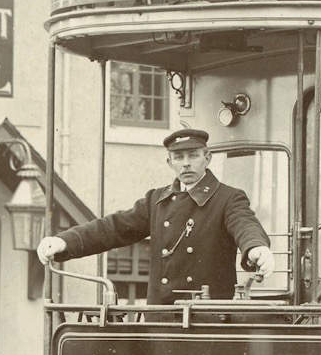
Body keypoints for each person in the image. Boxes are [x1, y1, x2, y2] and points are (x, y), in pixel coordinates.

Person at [36, 128, 274, 303]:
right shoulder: (156, 201)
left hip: (206, 321)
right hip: (160, 320)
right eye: (179, 158)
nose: (186, 164)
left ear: (207, 158)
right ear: (169, 162)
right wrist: (64, 240)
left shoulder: (228, 198)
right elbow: (113, 228)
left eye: (193, 156)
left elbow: (244, 223)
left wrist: (255, 248)